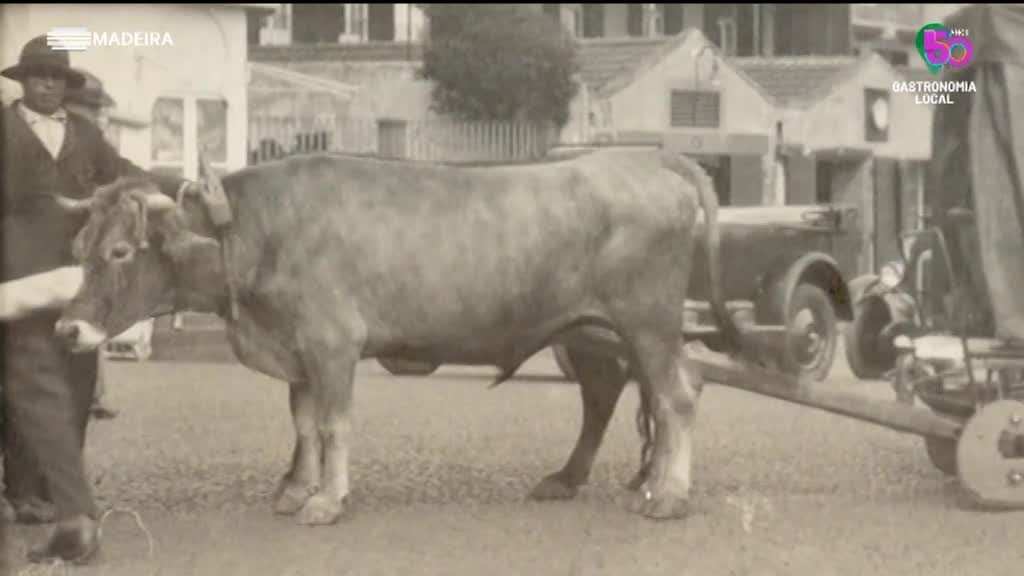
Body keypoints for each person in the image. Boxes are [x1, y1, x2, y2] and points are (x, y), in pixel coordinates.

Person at [0, 35, 197, 564]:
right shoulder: (3, 128)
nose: (48, 84)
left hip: (75, 281)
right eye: (38, 75)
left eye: (57, 76)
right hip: (13, 277)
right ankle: (30, 493)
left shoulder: (84, 133)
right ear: (23, 81)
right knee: (29, 387)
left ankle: (64, 500)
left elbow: (125, 172)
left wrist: (179, 188)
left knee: (73, 384)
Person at [63, 68, 120, 421]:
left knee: (85, 316)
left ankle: (94, 392)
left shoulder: (94, 143)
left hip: (81, 246)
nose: (96, 115)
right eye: (90, 107)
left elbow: (116, 181)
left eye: (96, 108)